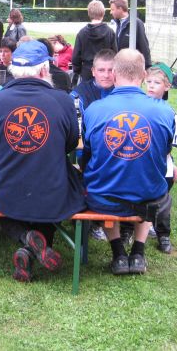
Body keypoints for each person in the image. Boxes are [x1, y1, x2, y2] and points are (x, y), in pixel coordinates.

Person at [0, 40, 85, 282]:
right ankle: (35, 244)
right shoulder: (62, 100)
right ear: (44, 69)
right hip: (53, 193)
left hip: (7, 192)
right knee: (55, 189)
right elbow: (71, 143)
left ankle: (26, 240)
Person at [81, 49, 175, 275]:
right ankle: (138, 253)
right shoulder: (164, 111)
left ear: (114, 74)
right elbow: (165, 151)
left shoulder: (94, 110)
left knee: (100, 179)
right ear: (143, 75)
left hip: (103, 199)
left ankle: (119, 254)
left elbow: (88, 152)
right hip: (150, 197)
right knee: (151, 182)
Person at [70, 49, 116, 241]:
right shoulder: (79, 94)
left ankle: (128, 222)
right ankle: (92, 221)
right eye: (101, 70)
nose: (106, 75)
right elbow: (77, 132)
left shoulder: (123, 91)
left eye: (110, 70)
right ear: (93, 71)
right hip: (87, 150)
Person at [144, 65, 177, 253]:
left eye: (156, 82)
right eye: (148, 81)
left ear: (167, 86)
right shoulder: (138, 107)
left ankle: (163, 234)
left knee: (163, 200)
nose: (151, 86)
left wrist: (171, 164)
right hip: (140, 161)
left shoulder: (170, 113)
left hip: (160, 163)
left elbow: (169, 145)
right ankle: (128, 229)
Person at [72, 0, 117, 82]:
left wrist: (77, 70)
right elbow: (115, 54)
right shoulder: (110, 32)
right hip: (105, 72)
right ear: (103, 13)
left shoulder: (82, 33)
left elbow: (76, 57)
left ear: (89, 13)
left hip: (87, 72)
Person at [109, 0, 152, 69]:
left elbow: (144, 46)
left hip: (133, 67)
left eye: (112, 9)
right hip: (121, 66)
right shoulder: (118, 23)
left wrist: (148, 67)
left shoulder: (136, 23)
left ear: (120, 9)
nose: (110, 12)